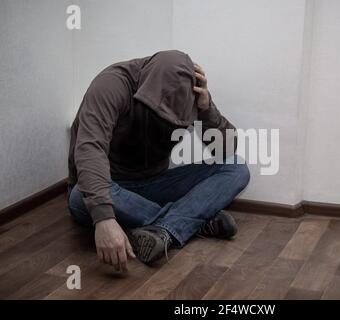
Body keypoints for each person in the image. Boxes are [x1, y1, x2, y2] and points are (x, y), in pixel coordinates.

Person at [67, 50, 250, 272]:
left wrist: (206, 107)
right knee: (79, 197)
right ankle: (190, 222)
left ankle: (166, 228)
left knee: (236, 168)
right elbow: (89, 149)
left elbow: (227, 148)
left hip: (154, 183)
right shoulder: (111, 85)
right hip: (112, 186)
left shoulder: (189, 93)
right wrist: (104, 219)